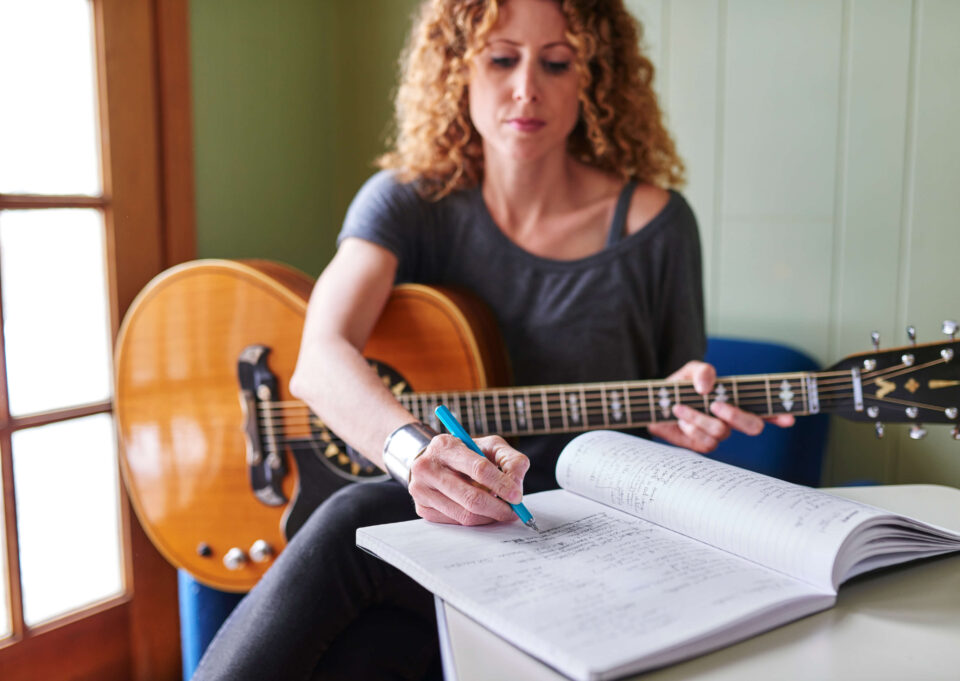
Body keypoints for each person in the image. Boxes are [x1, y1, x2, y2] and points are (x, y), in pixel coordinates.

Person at [192, 0, 793, 679]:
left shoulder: (656, 225)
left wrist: (688, 421)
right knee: (355, 547)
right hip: (443, 531)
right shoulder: (407, 203)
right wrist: (414, 453)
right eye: (502, 58)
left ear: (594, 75)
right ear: (457, 69)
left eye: (557, 62)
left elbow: (677, 405)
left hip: (583, 539)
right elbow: (319, 359)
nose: (526, 88)